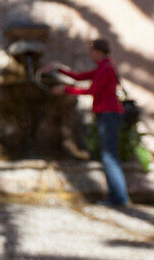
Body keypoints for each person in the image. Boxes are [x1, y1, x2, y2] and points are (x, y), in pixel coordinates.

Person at [43, 39, 129, 207]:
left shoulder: (106, 69)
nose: (90, 54)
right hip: (107, 114)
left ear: (99, 51)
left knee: (109, 157)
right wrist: (59, 69)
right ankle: (119, 196)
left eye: (91, 51)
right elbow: (79, 76)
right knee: (109, 155)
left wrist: (65, 90)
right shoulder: (103, 67)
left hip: (109, 115)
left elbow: (92, 90)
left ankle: (118, 198)